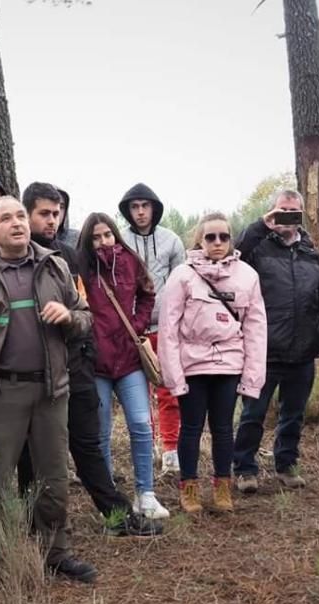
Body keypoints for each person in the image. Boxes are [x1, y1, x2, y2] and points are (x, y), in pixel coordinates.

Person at [0, 195, 96, 582]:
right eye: (5, 218)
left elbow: (86, 318)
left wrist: (70, 317)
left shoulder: (55, 265)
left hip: (50, 392)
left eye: (21, 216)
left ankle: (56, 554)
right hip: (1, 393)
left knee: (54, 478)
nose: (17, 223)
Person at [22, 182, 161, 536]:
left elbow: (83, 312)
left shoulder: (69, 259)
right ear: (28, 214)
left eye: (57, 213)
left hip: (78, 364)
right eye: (44, 213)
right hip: (32, 373)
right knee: (34, 456)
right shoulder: (17, 259)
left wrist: (77, 328)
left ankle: (117, 517)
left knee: (89, 444)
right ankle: (35, 526)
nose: (52, 220)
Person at [158, 213, 267, 514]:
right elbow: (168, 328)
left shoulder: (247, 276)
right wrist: (173, 376)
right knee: (190, 428)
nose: (217, 242)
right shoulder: (182, 275)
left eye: (223, 237)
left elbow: (256, 328)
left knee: (223, 429)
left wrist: (252, 376)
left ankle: (222, 486)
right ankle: (189, 486)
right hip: (193, 364)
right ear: (199, 240)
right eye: (210, 237)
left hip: (229, 364)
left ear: (231, 240)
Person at [231, 189, 319, 492]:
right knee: (253, 414)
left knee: (293, 415)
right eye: (281, 210)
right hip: (264, 350)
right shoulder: (258, 248)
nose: (286, 216)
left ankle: (286, 465)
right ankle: (245, 468)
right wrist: (262, 225)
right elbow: (234, 254)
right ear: (272, 212)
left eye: (292, 211)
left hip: (302, 351)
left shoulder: (312, 252)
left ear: (300, 215)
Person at [78, 212, 167, 519]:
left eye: (107, 234)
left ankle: (146, 494)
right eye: (96, 237)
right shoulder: (82, 268)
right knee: (100, 431)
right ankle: (109, 499)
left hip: (128, 359)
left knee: (141, 425)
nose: (103, 241)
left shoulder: (128, 261)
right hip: (97, 363)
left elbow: (147, 294)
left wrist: (138, 324)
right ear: (87, 241)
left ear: (115, 234)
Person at [118, 183, 185, 472]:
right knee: (138, 394)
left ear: (154, 208)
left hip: (167, 328)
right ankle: (149, 445)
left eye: (145, 206)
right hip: (133, 330)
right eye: (135, 207)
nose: (141, 212)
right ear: (128, 211)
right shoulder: (119, 241)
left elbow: (183, 282)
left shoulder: (171, 240)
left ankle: (171, 447)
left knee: (169, 390)